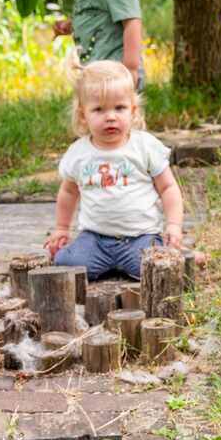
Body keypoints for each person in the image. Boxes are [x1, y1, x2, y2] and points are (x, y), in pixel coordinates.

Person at [44, 61, 184, 281]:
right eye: (99, 109)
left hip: (140, 237)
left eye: (119, 108)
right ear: (83, 115)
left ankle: (177, 256)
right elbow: (68, 192)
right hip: (95, 239)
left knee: (160, 269)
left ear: (132, 110)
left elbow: (167, 188)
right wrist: (62, 228)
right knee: (65, 263)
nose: (110, 116)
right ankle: (106, 263)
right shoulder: (79, 152)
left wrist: (173, 225)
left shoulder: (144, 146)